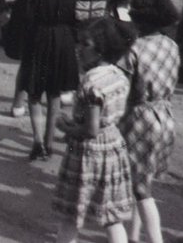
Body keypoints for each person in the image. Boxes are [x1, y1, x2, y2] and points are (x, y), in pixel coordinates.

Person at [52, 16, 137, 243]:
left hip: (88, 154)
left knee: (71, 215)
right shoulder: (119, 75)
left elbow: (90, 130)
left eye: (85, 45)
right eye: (79, 43)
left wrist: (67, 127)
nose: (79, 49)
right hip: (113, 147)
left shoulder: (92, 82)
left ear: (102, 49)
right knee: (111, 215)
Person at [121, 0, 180, 243]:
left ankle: (156, 240)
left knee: (139, 188)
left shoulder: (133, 49)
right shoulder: (171, 45)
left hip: (138, 119)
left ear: (139, 20)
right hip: (164, 115)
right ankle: (133, 236)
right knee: (142, 181)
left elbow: (124, 88)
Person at [21, 0, 81, 161]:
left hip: (39, 39)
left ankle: (37, 141)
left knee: (34, 93)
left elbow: (26, 20)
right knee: (55, 93)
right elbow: (78, 21)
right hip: (64, 41)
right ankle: (49, 141)